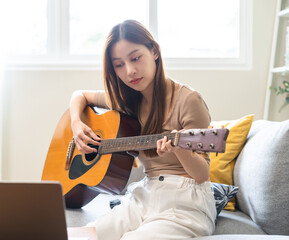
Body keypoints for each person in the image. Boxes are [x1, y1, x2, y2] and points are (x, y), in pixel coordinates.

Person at [68, 20, 216, 240]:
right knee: (80, 236)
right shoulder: (126, 102)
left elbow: (202, 175)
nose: (130, 71)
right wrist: (76, 124)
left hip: (185, 201)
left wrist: (179, 149)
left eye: (135, 58)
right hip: (145, 195)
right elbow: (79, 95)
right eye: (119, 65)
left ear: (154, 51)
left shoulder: (189, 100)